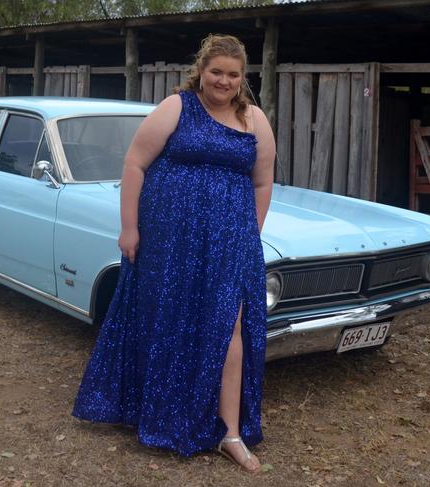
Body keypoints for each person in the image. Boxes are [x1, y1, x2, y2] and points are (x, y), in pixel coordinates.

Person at [72, 34, 275, 473]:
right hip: (169, 240)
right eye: (216, 71)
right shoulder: (177, 107)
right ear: (201, 71)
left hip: (228, 245)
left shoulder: (255, 119)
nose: (224, 81)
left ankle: (230, 433)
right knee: (167, 320)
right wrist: (129, 227)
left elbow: (262, 182)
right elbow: (134, 163)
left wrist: (246, 237)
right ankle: (159, 414)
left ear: (243, 78)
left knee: (230, 327)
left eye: (233, 74)